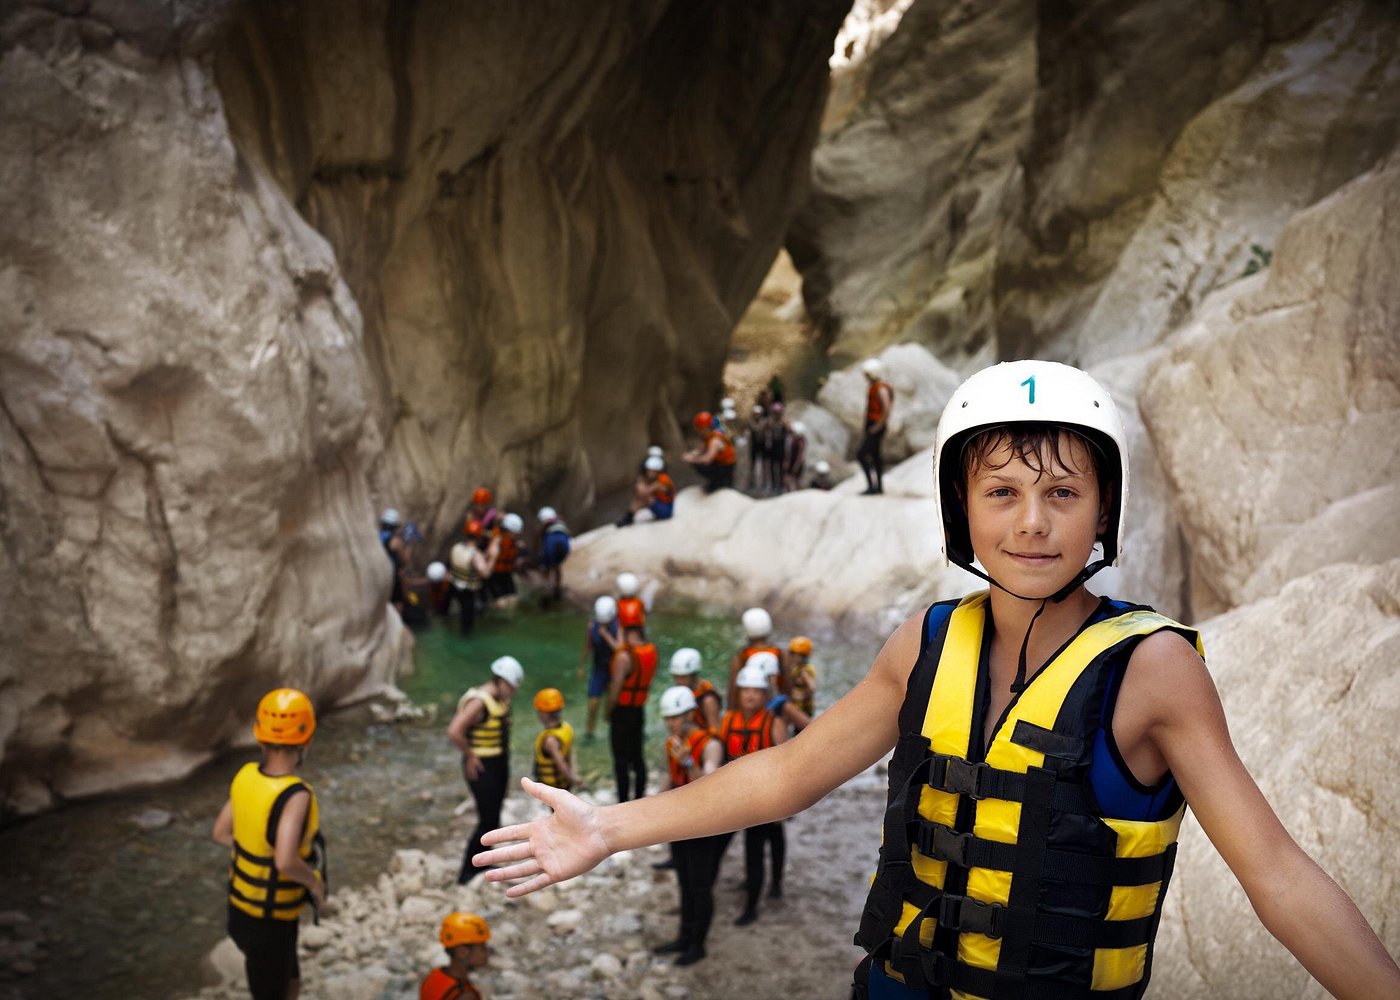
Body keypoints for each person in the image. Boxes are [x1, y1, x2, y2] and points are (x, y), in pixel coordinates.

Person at [472, 359, 1400, 1000]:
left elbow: (1276, 874)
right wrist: (609, 828)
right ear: (962, 507)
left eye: (1063, 493)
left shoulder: (1154, 671)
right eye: (1002, 492)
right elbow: (786, 774)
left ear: (1103, 509)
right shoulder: (924, 642)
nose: (1032, 522)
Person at [212, 688, 326, 1000]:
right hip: (270, 921)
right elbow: (285, 861)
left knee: (289, 980)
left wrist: (254, 852)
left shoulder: (245, 776)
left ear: (260, 735)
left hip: (240, 911)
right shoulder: (295, 795)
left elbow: (220, 833)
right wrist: (314, 883)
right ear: (306, 739)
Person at [655, 685, 727, 966]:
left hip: (704, 824)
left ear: (689, 714)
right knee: (684, 880)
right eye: (668, 718)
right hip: (680, 821)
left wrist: (687, 760)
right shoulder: (673, 741)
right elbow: (671, 777)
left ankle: (698, 945)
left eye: (675, 717)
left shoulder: (710, 745)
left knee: (700, 885)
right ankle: (684, 937)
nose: (671, 723)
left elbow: (708, 786)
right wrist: (650, 804)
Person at [719, 662, 789, 926]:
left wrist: (783, 804)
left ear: (764, 695)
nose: (750, 695)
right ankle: (756, 886)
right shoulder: (729, 720)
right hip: (737, 796)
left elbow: (785, 763)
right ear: (738, 693)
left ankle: (757, 901)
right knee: (745, 847)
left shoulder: (774, 722)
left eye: (756, 691)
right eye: (746, 690)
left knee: (758, 848)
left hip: (765, 798)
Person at [447, 655, 524, 884]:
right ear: (501, 681)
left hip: (497, 763)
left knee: (494, 817)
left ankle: (484, 861)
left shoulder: (498, 699)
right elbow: (454, 731)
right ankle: (467, 871)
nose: (513, 692)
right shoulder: (479, 702)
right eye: (512, 687)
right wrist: (470, 755)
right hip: (482, 766)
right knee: (487, 820)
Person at [606, 601, 657, 803]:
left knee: (621, 761)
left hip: (622, 712)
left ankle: (623, 802)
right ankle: (639, 798)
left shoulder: (624, 657)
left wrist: (607, 711)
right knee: (637, 758)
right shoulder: (650, 650)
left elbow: (615, 689)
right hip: (639, 710)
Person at [726, 606, 786, 710]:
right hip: (775, 706)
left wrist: (731, 712)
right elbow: (787, 685)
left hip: (749, 709)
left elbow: (733, 690)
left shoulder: (742, 656)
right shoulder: (780, 653)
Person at [420, 912, 490, 1000]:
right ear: (462, 952)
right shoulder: (465, 995)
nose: (486, 953)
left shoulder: (435, 975)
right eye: (482, 948)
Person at [579, 596, 621, 740]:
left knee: (611, 706)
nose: (603, 624)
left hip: (614, 670)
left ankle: (609, 730)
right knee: (593, 704)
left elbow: (619, 649)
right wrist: (582, 666)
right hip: (598, 670)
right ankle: (589, 732)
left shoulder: (618, 627)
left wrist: (606, 635)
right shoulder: (592, 627)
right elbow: (587, 647)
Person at [447, 521, 497, 634]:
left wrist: (486, 554)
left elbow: (469, 561)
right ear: (479, 538)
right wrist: (493, 557)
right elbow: (486, 574)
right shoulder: (476, 555)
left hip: (454, 586)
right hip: (467, 591)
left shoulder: (456, 547)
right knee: (467, 624)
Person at [857, 358, 894, 495]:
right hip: (874, 425)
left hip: (876, 426)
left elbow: (886, 408)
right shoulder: (877, 386)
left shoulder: (880, 388)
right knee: (875, 455)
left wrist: (878, 425)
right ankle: (878, 487)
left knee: (862, 455)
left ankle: (872, 487)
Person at [532, 688, 580, 790]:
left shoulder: (550, 740)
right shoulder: (566, 728)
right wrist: (575, 776)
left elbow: (562, 767)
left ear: (543, 713)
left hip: (553, 789)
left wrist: (576, 783)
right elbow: (570, 755)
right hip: (565, 786)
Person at [668, 646, 722, 732]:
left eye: (683, 677)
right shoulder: (681, 694)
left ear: (694, 675)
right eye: (676, 677)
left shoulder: (708, 700)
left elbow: (717, 731)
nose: (679, 681)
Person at [683, 411, 736, 493]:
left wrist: (692, 460)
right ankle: (716, 481)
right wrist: (692, 454)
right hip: (721, 463)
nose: (697, 431)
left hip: (726, 467)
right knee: (699, 462)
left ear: (704, 428)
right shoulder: (710, 436)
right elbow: (702, 449)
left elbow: (707, 459)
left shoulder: (714, 440)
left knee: (700, 465)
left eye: (699, 428)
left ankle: (719, 482)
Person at [617, 456, 675, 527]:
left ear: (656, 470)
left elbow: (643, 493)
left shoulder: (662, 479)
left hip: (666, 511)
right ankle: (629, 516)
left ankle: (629, 516)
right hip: (661, 505)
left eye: (650, 471)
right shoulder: (654, 478)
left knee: (646, 498)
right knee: (643, 497)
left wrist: (640, 483)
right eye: (647, 470)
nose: (648, 472)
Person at [485, 512, 523, 609]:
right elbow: (488, 557)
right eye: (515, 533)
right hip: (494, 575)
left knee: (513, 600)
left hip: (506, 573)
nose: (517, 535)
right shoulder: (497, 540)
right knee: (501, 604)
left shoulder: (512, 541)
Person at [534, 506, 571, 604]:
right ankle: (557, 589)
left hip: (551, 547)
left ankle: (546, 593)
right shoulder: (561, 523)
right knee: (557, 565)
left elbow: (542, 542)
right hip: (564, 548)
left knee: (546, 569)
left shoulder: (545, 526)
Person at [380, 507, 406, 610]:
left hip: (378, 573)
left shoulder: (377, 536)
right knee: (397, 602)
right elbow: (403, 560)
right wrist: (409, 545)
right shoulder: (394, 539)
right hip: (391, 574)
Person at [786, 636, 817, 717]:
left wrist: (803, 696)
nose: (790, 656)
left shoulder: (804, 670)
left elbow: (812, 687)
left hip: (803, 709)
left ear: (800, 656)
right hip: (797, 707)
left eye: (793, 653)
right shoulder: (797, 667)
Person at [783, 419, 808, 494]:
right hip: (792, 462)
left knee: (796, 481)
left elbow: (799, 457)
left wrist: (795, 467)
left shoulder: (801, 442)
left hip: (796, 464)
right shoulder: (794, 439)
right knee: (787, 480)